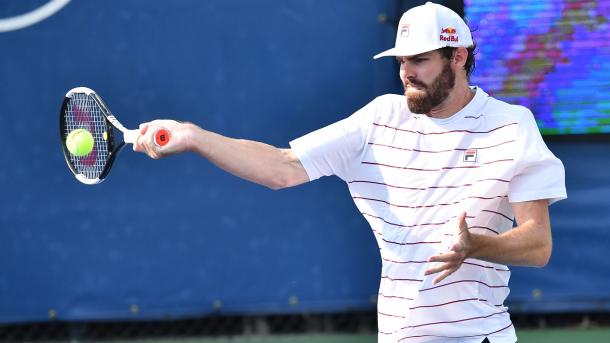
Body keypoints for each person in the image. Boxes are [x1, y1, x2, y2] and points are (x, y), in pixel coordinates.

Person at [134, 2, 566, 342]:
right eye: (401, 61)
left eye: (420, 60)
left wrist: (476, 245)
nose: (407, 73)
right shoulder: (378, 119)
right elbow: (280, 167)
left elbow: (538, 244)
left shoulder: (512, 126)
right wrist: (193, 136)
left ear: (458, 56)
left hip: (479, 336)